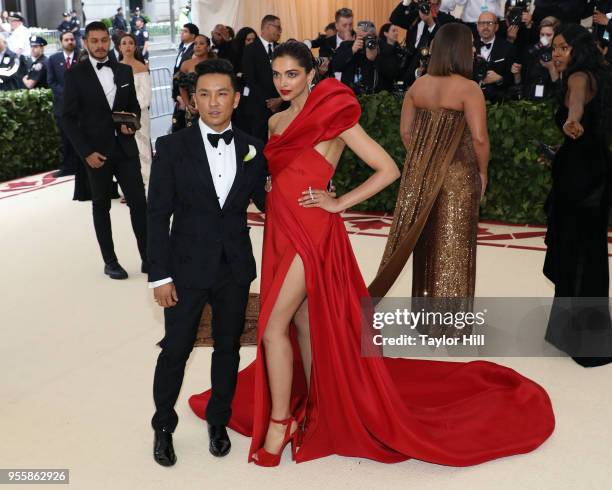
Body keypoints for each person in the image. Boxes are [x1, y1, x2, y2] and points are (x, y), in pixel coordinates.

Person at [189, 39, 555, 468]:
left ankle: (280, 420)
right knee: (304, 322)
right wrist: (269, 188)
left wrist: (337, 203)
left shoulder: (334, 115)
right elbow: (278, 172)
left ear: (312, 73)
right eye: (277, 74)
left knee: (271, 328)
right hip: (281, 230)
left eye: (292, 74)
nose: (284, 82)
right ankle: (318, 406)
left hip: (312, 232)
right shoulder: (274, 123)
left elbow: (388, 169)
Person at [148, 59, 268, 466]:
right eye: (205, 94)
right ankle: (163, 425)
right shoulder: (171, 147)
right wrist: (159, 276)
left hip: (233, 266)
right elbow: (156, 215)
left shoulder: (253, 147)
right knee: (175, 350)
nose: (214, 103)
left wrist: (314, 192)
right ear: (191, 100)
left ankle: (219, 418)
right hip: (184, 268)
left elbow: (270, 203)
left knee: (228, 348)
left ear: (235, 99)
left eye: (222, 94)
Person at [370, 22, 488, 321]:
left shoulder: (418, 85)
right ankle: (450, 323)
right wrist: (482, 172)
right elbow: (479, 139)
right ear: (462, 50)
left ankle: (426, 320)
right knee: (453, 246)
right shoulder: (469, 88)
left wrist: (426, 160)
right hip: (458, 177)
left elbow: (406, 131)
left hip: (420, 175)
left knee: (426, 243)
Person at [543, 24, 612, 368]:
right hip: (596, 171)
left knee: (575, 249)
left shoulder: (578, 78)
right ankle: (581, 333)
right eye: (555, 46)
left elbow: (575, 106)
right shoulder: (597, 77)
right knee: (591, 250)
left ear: (578, 50)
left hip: (579, 180)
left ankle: (582, 339)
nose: (557, 52)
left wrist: (572, 121)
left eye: (564, 47)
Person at [62, 21, 148, 280]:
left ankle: (149, 257)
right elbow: (67, 118)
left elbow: (133, 108)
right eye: (94, 41)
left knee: (139, 204)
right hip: (95, 154)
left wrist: (132, 125)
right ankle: (110, 262)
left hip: (125, 150)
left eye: (103, 40)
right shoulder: (75, 74)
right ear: (86, 43)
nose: (100, 45)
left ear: (109, 42)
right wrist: (85, 152)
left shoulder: (123, 71)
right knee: (101, 206)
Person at [241, 15, 284, 142]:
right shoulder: (250, 49)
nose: (280, 31)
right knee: (259, 144)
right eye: (278, 27)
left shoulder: (282, 49)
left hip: (281, 106)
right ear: (267, 27)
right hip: (259, 108)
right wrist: (269, 102)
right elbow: (250, 80)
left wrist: (279, 100)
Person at [119, 32, 152, 191]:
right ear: (119, 47)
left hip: (139, 115)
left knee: (141, 148)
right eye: (124, 43)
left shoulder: (141, 67)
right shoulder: (116, 68)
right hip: (120, 117)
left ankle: (144, 184)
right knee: (124, 151)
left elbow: (146, 96)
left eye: (130, 43)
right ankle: (128, 187)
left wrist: (131, 111)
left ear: (135, 46)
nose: (127, 46)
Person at [47, 31, 80, 179]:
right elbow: (51, 81)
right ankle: (67, 167)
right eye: (66, 40)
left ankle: (81, 165)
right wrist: (65, 94)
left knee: (81, 136)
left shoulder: (81, 57)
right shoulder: (53, 59)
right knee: (65, 137)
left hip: (80, 107)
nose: (70, 42)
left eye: (72, 39)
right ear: (61, 42)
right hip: (62, 107)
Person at [510, 16, 560, 100]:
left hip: (549, 101)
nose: (544, 38)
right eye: (542, 34)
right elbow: (520, 83)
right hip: (528, 99)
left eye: (548, 35)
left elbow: (560, 89)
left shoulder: (560, 54)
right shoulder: (532, 50)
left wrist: (551, 67)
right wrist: (517, 74)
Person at [475, 11, 516, 102]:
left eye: (490, 23)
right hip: (472, 99)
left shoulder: (508, 47)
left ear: (496, 27)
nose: (485, 27)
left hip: (498, 102)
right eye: (482, 23)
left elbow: (513, 78)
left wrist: (499, 79)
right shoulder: (469, 46)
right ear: (477, 26)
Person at [331, 19, 379, 94]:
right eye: (361, 36)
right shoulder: (346, 45)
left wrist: (371, 48)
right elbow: (336, 66)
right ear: (355, 36)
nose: (364, 39)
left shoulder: (378, 47)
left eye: (368, 37)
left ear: (375, 37)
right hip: (348, 93)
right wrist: (352, 50)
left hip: (370, 95)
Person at [177, 34, 214, 128]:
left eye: (201, 43)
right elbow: (181, 86)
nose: (197, 46)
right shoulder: (186, 64)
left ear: (208, 47)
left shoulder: (215, 64)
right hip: (193, 107)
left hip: (212, 105)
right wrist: (187, 105)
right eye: (195, 44)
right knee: (194, 137)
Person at [171, 23, 198, 132]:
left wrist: (183, 98)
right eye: (182, 31)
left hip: (186, 96)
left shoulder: (194, 51)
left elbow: (189, 77)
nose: (182, 33)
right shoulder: (183, 48)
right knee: (178, 125)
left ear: (193, 35)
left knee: (184, 126)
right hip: (179, 93)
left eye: (185, 31)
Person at [377, 23, 403, 92]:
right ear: (385, 33)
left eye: (397, 31)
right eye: (393, 31)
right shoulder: (380, 50)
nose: (396, 33)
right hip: (383, 88)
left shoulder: (399, 50)